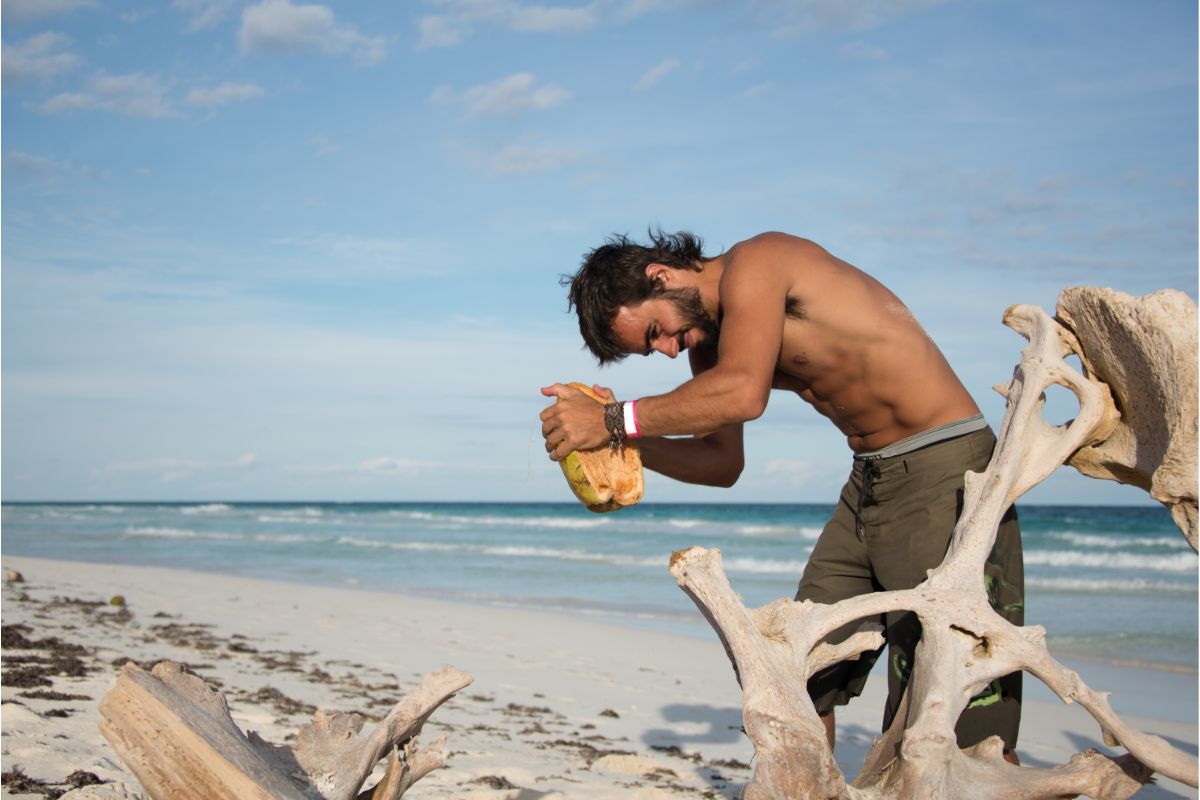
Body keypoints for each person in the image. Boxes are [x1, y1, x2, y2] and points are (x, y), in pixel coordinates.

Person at [539, 230, 1023, 760]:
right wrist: (621, 439)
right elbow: (724, 464)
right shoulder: (709, 345)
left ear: (661, 274)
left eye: (656, 330)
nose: (668, 348)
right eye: (652, 348)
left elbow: (744, 394)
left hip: (945, 466)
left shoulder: (760, 261)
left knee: (957, 691)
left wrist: (612, 418)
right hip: (869, 479)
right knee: (798, 668)